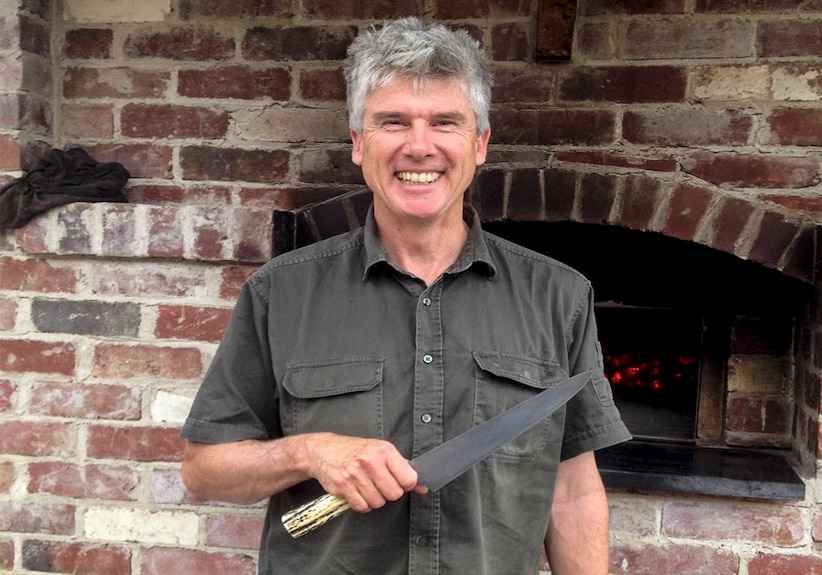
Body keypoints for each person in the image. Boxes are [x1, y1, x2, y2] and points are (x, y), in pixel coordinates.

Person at [180, 17, 630, 575]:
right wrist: (309, 452)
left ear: (480, 143)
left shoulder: (559, 297)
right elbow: (203, 470)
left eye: (445, 122)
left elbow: (572, 493)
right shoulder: (280, 293)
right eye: (393, 121)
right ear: (358, 142)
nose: (420, 147)